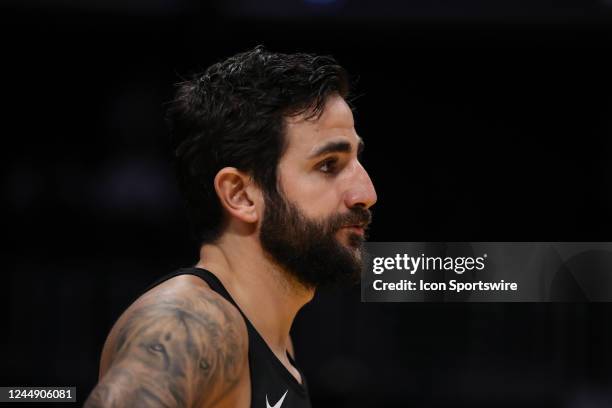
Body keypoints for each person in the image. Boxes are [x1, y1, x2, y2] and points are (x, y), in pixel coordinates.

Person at [84, 46, 377, 408]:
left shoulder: (272, 338)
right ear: (240, 194)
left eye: (356, 160)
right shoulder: (189, 321)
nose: (366, 193)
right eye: (328, 165)